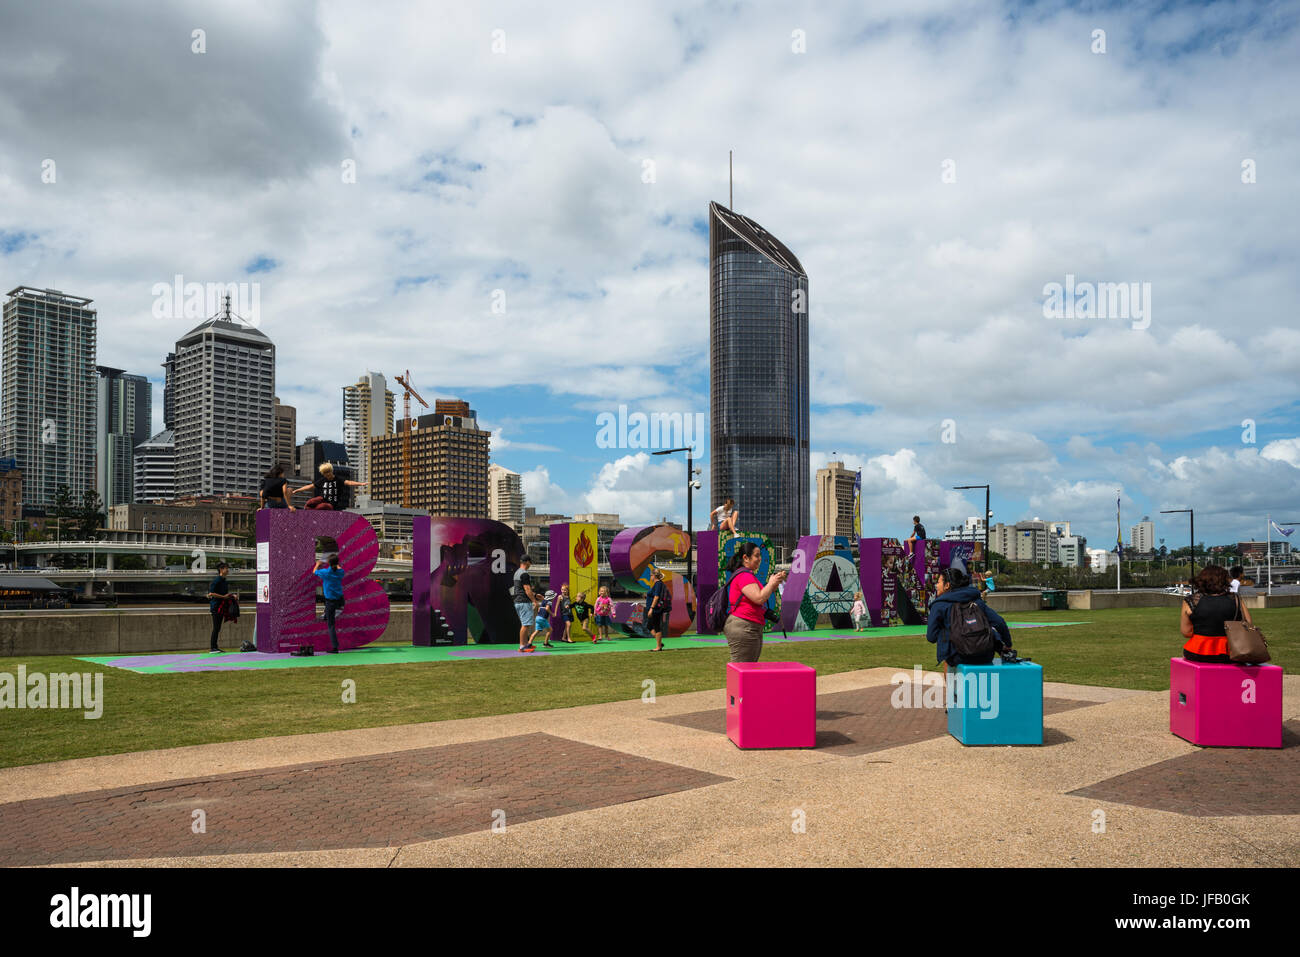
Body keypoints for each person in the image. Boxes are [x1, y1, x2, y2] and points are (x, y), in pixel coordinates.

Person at [927, 566, 1013, 681]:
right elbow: (999, 622)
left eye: (938, 582)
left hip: (958, 657)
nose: (936, 585)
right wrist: (1008, 644)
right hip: (985, 653)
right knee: (989, 628)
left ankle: (953, 694)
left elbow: (931, 637)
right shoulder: (976, 600)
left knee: (947, 646)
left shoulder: (939, 605)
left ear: (947, 585)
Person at [721, 542, 787, 662]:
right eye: (756, 556)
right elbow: (759, 598)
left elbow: (761, 597)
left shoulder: (747, 575)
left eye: (760, 555)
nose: (759, 559)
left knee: (747, 669)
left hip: (748, 626)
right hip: (744, 626)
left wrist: (773, 583)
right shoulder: (744, 576)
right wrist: (771, 583)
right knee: (743, 669)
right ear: (745, 558)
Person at [1181, 564, 1254, 663]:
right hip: (1231, 651)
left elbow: (1186, 632)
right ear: (1225, 581)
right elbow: (1248, 624)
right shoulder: (1236, 599)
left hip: (1198, 651)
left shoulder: (1191, 600)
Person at [294, 462, 366, 510]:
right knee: (311, 502)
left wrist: (361, 484)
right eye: (325, 473)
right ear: (323, 474)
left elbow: (349, 482)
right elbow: (310, 486)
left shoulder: (338, 479)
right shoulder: (322, 480)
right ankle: (307, 514)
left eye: (328, 472)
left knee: (322, 506)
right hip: (323, 499)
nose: (327, 474)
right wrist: (297, 490)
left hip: (332, 504)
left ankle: (315, 513)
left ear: (331, 471)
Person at [313, 554, 346, 653]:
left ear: (329, 563)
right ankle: (325, 615)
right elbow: (339, 568)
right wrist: (334, 563)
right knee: (328, 612)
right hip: (340, 600)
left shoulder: (326, 572)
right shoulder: (341, 572)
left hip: (330, 602)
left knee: (331, 625)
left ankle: (335, 647)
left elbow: (314, 572)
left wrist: (317, 564)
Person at [205, 562, 232, 652]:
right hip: (216, 607)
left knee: (218, 627)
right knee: (216, 627)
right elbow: (211, 593)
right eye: (226, 568)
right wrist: (223, 597)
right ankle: (213, 647)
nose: (227, 570)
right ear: (221, 569)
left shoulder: (224, 581)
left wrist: (232, 596)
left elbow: (225, 594)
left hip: (221, 607)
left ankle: (215, 647)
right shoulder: (217, 580)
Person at [513, 556, 537, 652]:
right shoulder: (524, 574)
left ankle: (525, 644)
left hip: (518, 601)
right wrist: (534, 601)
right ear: (527, 562)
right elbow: (527, 589)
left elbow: (520, 588)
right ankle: (522, 646)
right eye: (530, 562)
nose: (530, 565)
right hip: (524, 602)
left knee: (525, 624)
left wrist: (535, 595)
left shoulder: (517, 572)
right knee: (526, 624)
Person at [645, 570, 670, 651]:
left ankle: (658, 646)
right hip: (654, 608)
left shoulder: (658, 584)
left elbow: (656, 597)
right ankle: (659, 643)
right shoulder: (657, 584)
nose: (650, 577)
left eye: (651, 575)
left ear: (654, 576)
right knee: (649, 626)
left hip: (655, 609)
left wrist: (651, 609)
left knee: (656, 626)